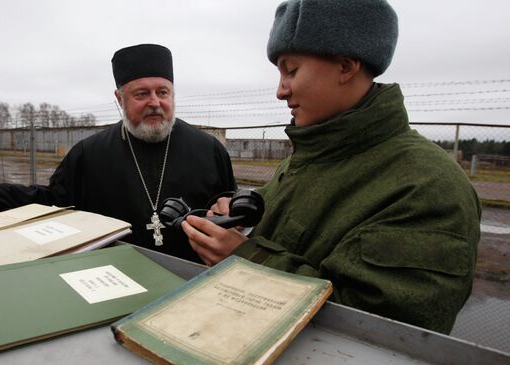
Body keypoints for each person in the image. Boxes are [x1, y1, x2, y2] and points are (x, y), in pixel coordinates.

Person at [182, 0, 481, 334]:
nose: (281, 90)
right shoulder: (311, 155)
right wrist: (239, 222)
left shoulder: (428, 185)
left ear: (345, 67)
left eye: (291, 70)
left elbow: (382, 332)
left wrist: (244, 262)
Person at [0, 44, 237, 263]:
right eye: (141, 94)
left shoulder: (208, 149)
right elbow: (55, 203)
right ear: (119, 99)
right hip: (112, 277)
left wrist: (229, 210)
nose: (155, 102)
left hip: (192, 278)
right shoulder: (89, 153)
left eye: (163, 92)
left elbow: (229, 210)